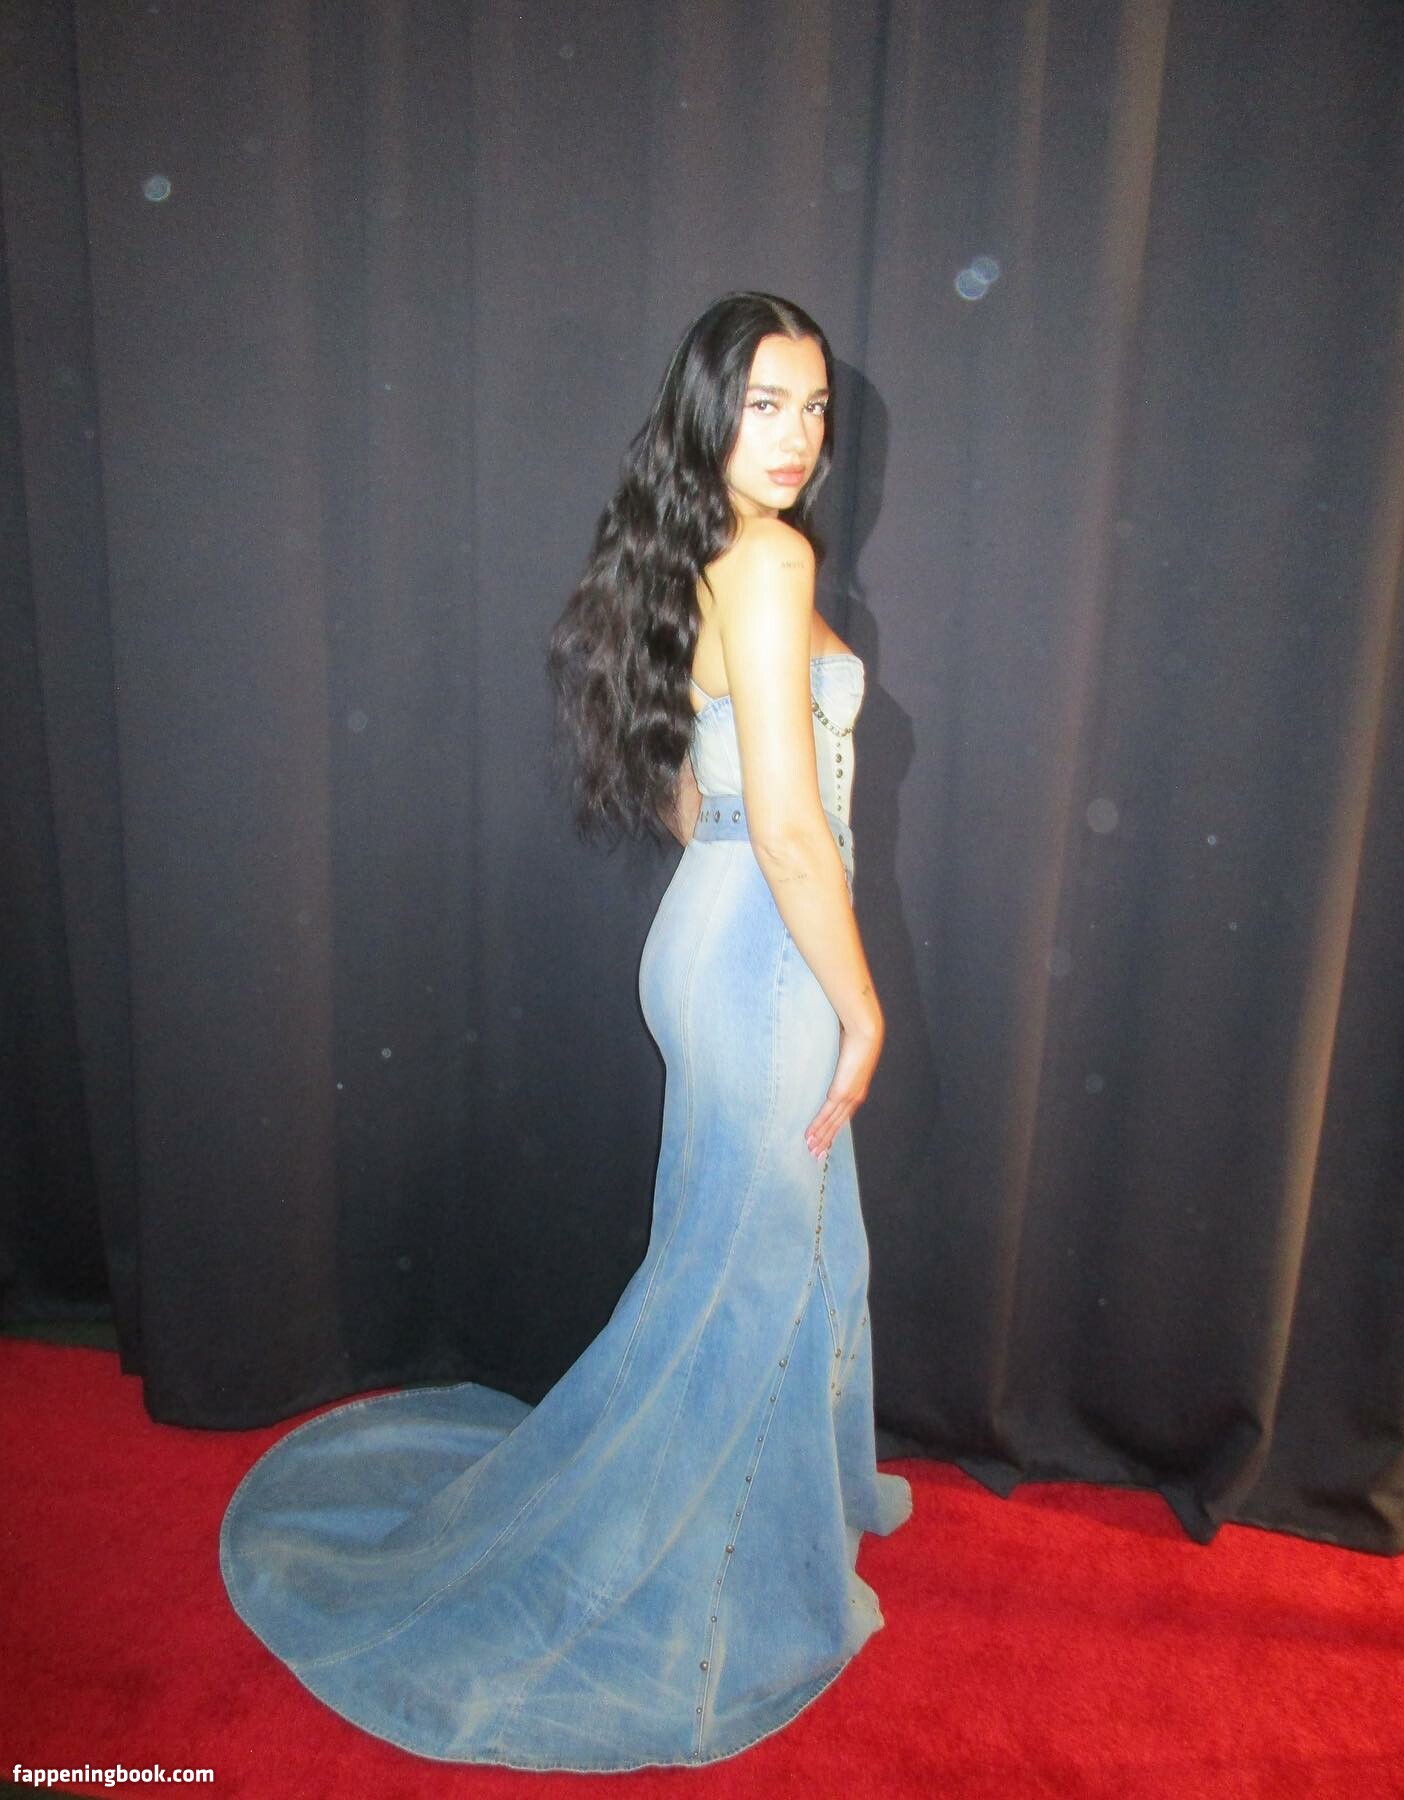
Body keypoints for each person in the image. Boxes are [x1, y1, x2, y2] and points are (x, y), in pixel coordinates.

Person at [218, 291, 912, 1771]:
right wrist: (862, 1007)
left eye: (812, 408)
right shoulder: (771, 560)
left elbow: (691, 785)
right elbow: (794, 830)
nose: (795, 436)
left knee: (749, 1253)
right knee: (745, 1274)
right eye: (765, 403)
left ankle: (770, 1506)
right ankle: (689, 1559)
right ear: (710, 411)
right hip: (768, 958)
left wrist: (750, 876)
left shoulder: (700, 551)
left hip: (712, 938)